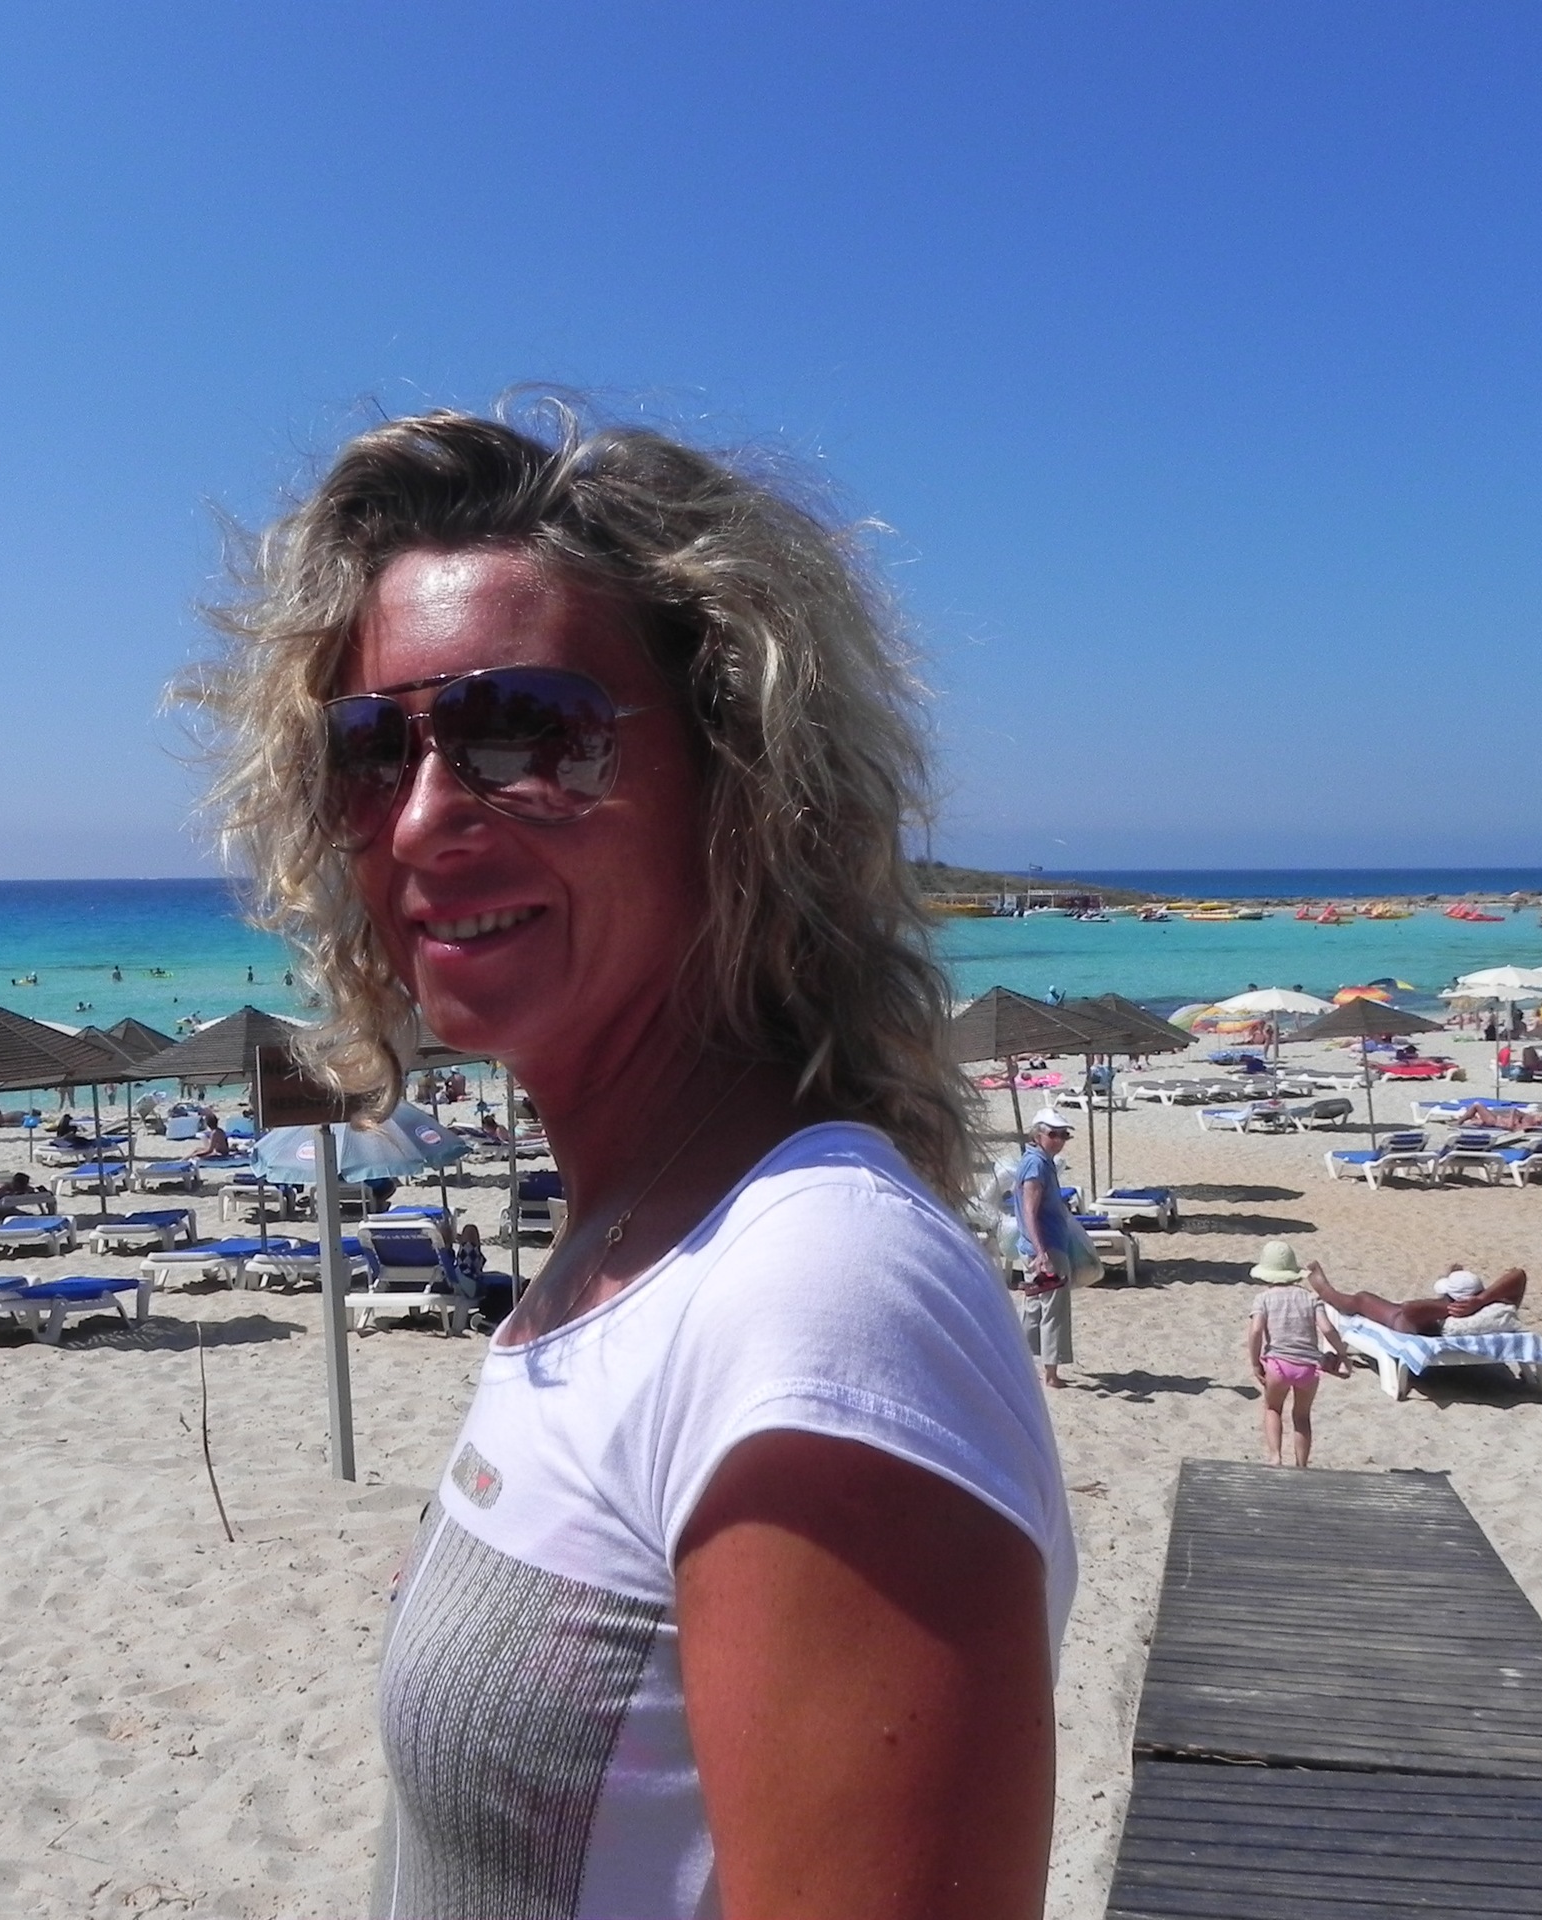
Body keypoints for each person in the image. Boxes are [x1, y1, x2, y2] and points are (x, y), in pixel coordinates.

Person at [191, 404, 1071, 1917]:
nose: (423, 818)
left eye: (526, 733)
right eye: (368, 750)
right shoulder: (631, 1249)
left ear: (746, 784)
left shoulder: (818, 1303)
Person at [1243, 1243, 1351, 1468]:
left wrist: (1255, 1363)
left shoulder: (1263, 1299)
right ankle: (1301, 1465)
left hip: (1278, 1365)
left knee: (1273, 1408)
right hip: (1308, 1368)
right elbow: (1327, 1329)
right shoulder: (1310, 1298)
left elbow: (1255, 1331)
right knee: (1302, 1417)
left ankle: (1275, 1457)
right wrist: (1342, 1354)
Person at [1010, 1109, 1077, 1391]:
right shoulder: (1036, 1165)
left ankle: (1020, 1366)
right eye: (1053, 1134)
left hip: (1037, 1245)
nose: (1059, 1140)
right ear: (1038, 1135)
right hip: (1046, 1247)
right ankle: (1051, 1373)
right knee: (1052, 1308)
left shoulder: (1038, 1161)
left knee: (1035, 1306)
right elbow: (1030, 1210)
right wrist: (1042, 1252)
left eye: (1064, 1135)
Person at [1306, 1259, 1529, 1337]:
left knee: (1362, 1299)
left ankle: (1327, 1292)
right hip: (1467, 1303)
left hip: (1408, 1323)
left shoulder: (1440, 1317)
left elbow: (1409, 1309)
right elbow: (1519, 1275)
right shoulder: (1497, 1310)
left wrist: (1449, 1306)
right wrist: (1481, 1301)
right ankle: (1454, 1280)